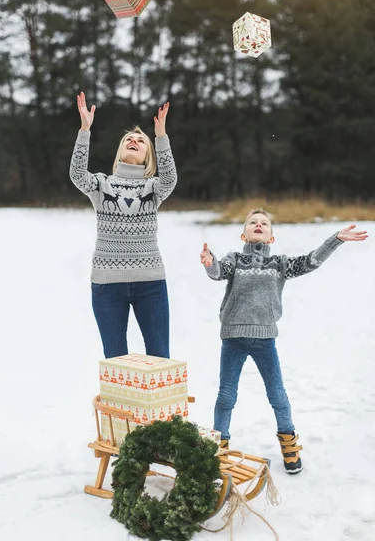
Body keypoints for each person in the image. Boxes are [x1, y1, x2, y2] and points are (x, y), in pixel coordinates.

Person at [200, 208, 368, 474]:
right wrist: (210, 262)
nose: (258, 225)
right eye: (253, 222)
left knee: (278, 395)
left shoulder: (279, 263)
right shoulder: (235, 260)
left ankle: (288, 443)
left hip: (265, 339)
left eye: (264, 223)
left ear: (272, 237)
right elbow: (218, 271)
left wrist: (336, 238)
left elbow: (311, 261)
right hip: (233, 337)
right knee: (226, 395)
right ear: (243, 234)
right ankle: (219, 446)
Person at [70, 92, 177, 359]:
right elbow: (77, 175)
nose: (134, 140)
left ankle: (158, 402)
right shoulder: (101, 184)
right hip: (107, 283)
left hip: (150, 283)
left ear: (147, 157)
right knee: (115, 360)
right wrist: (85, 129)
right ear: (120, 151)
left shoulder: (152, 188)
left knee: (159, 356)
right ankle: (120, 402)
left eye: (141, 141)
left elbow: (170, 179)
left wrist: (160, 136)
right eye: (129, 138)